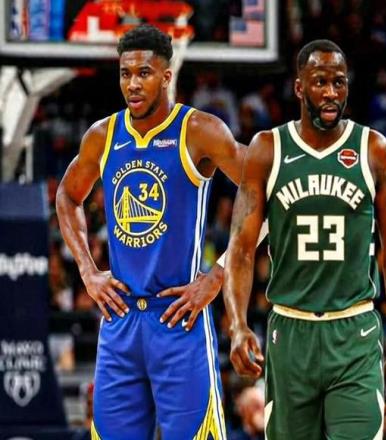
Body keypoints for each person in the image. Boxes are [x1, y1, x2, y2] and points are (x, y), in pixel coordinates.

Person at [56, 24, 247, 439]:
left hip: (179, 317)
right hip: (120, 320)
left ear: (166, 76)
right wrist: (88, 271)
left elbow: (263, 194)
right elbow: (67, 196)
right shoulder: (103, 136)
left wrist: (218, 275)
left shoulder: (200, 130)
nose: (133, 84)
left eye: (144, 73)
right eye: (125, 74)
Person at [223, 39, 386, 439]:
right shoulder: (267, 150)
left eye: (339, 83)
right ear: (299, 87)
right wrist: (237, 325)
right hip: (290, 332)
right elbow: (240, 250)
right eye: (320, 82)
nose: (330, 93)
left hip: (355, 332)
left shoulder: (374, 150)